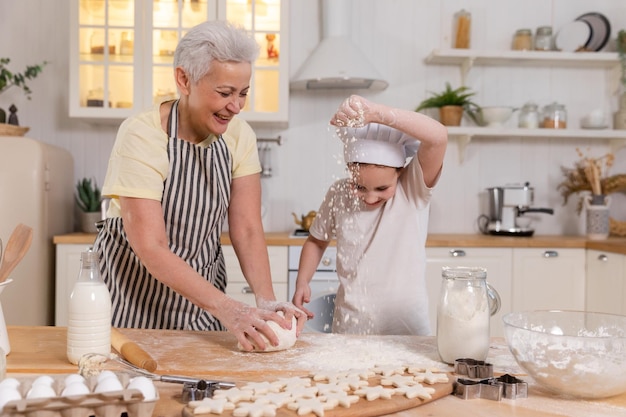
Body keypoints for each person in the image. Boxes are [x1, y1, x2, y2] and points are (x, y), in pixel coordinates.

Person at [93, 20, 306, 351]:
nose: (235, 107)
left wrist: (266, 299)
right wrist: (229, 308)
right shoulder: (142, 136)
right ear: (184, 80)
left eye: (243, 93)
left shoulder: (239, 136)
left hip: (202, 310)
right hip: (133, 305)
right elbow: (151, 246)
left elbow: (247, 228)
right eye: (224, 93)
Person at [292, 95, 448, 335]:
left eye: (382, 189)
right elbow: (316, 241)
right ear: (348, 171)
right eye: (359, 187)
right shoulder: (338, 194)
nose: (370, 197)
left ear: (400, 172)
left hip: (406, 328)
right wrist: (303, 280)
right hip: (352, 324)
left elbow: (438, 137)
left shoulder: (412, 188)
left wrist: (379, 114)